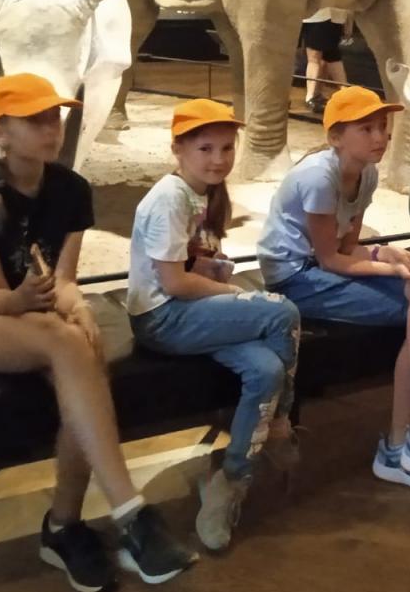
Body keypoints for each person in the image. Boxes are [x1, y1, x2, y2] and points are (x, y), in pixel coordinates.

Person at [0, 74, 195, 592]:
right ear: (0, 134)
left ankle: (63, 526)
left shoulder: (71, 189)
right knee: (68, 342)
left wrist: (74, 305)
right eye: (35, 120)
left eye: (53, 117)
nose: (51, 128)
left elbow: (65, 280)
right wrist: (28, 302)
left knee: (85, 348)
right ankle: (130, 512)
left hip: (41, 319)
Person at [257, 85, 410, 494]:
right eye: (366, 129)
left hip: (321, 267)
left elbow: (349, 248)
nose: (380, 137)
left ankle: (409, 442)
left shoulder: (366, 174)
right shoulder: (319, 177)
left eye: (382, 127)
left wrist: (392, 254)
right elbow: (329, 260)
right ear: (336, 136)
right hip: (295, 278)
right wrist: (391, 269)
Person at [128, 99, 301, 551]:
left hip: (187, 312)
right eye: (205, 148)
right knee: (282, 310)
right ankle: (281, 422)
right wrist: (231, 293)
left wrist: (208, 267)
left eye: (226, 148)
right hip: (164, 318)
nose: (219, 159)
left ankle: (229, 480)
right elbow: (172, 284)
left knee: (265, 370)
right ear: (178, 149)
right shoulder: (169, 197)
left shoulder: (201, 194)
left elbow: (183, 267)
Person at [300, 8, 351, 113]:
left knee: (317, 58)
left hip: (320, 16)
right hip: (333, 16)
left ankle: (311, 96)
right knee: (329, 55)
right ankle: (317, 94)